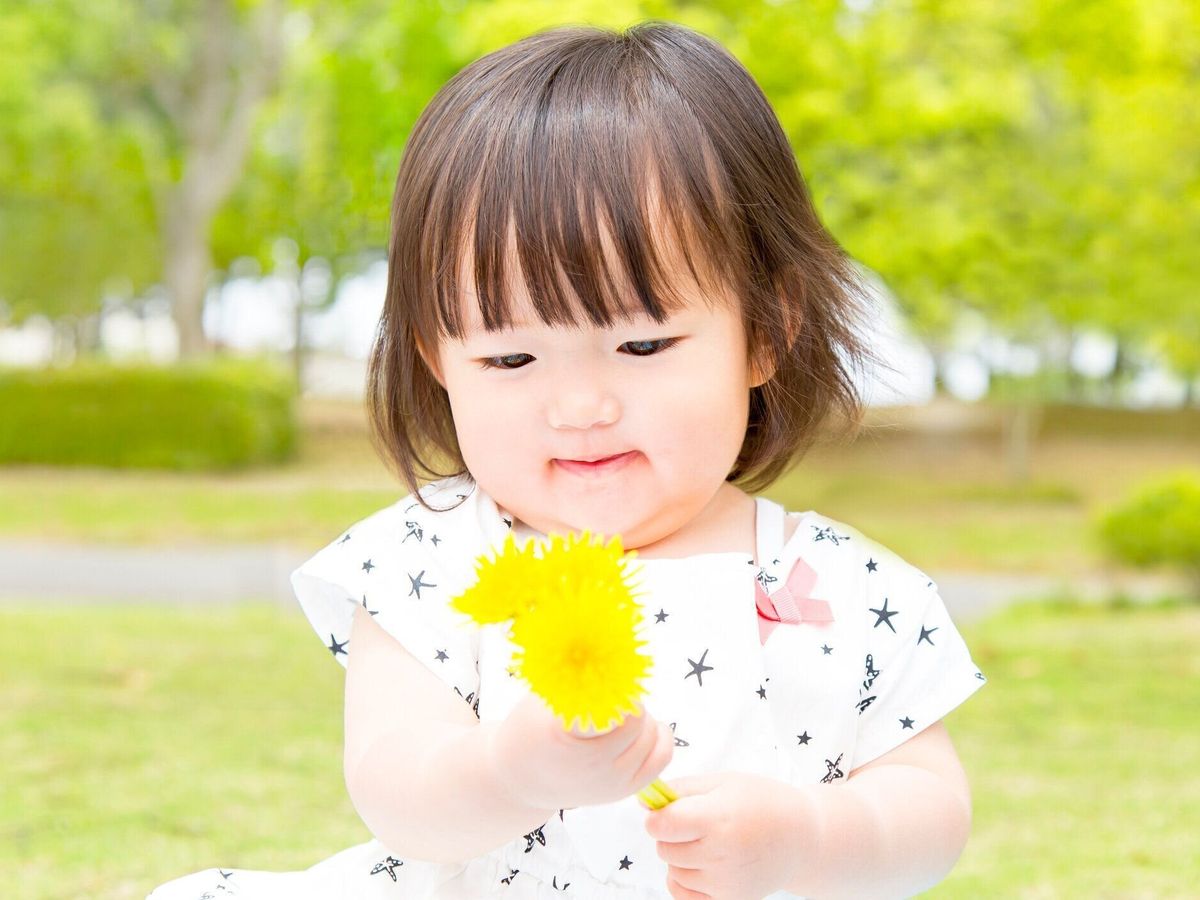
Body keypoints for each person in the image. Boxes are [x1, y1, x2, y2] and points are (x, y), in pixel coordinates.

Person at [148, 20, 987, 900]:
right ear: (439, 359)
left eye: (643, 345)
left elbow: (930, 812)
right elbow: (397, 792)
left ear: (766, 333)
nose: (580, 407)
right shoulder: (429, 562)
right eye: (511, 359)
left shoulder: (841, 585)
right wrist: (514, 772)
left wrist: (811, 835)